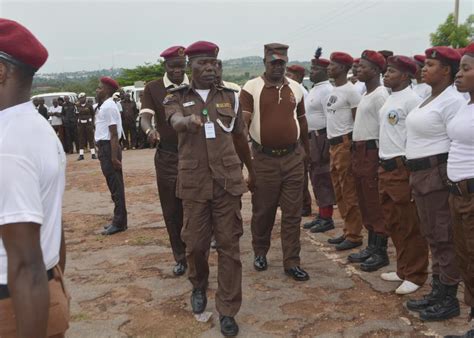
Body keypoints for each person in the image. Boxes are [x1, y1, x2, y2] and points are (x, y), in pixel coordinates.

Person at [164, 41, 256, 337]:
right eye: (203, 64)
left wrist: (252, 172)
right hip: (194, 186)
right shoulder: (176, 97)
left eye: (214, 64)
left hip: (227, 185)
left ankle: (228, 309)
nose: (210, 69)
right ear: (190, 66)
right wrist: (186, 121)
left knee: (230, 248)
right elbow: (174, 119)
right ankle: (198, 285)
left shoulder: (231, 97)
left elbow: (240, 138)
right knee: (196, 245)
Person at [0, 18, 69, 337]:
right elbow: (55, 227)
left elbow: (26, 266)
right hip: (41, 292)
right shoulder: (34, 128)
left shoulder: (9, 144)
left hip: (14, 307)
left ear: (1, 72)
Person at [240, 43, 310, 281]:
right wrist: (245, 162)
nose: (278, 67)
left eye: (282, 62)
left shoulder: (297, 88)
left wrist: (305, 154)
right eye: (274, 63)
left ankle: (292, 261)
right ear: (265, 62)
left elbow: (302, 121)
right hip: (264, 160)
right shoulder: (251, 87)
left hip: (292, 158)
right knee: (263, 211)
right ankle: (260, 251)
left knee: (293, 213)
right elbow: (244, 124)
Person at [405, 46, 464, 322]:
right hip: (420, 174)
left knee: (444, 237)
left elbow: (456, 141)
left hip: (437, 175)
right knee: (432, 235)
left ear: (447, 70)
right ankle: (438, 292)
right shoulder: (429, 98)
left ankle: (448, 298)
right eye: (424, 64)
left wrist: (450, 177)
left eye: (430, 65)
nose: (424, 69)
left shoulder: (451, 100)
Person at [377, 55, 429, 294]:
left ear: (406, 76)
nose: (386, 75)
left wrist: (410, 170)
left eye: (392, 71)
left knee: (409, 223)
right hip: (385, 166)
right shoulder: (390, 98)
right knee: (394, 221)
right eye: (387, 71)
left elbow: (415, 137)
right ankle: (403, 268)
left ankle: (416, 274)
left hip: (401, 166)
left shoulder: (412, 100)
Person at [139, 45, 190, 276]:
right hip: (168, 157)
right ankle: (180, 256)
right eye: (173, 67)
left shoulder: (195, 86)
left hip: (195, 155)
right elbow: (146, 117)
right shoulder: (153, 88)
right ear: (164, 66)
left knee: (197, 206)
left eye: (181, 66)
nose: (178, 71)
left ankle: (197, 250)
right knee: (172, 209)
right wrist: (150, 131)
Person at [348, 50, 390, 271]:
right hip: (360, 151)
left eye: (363, 67)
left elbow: (385, 130)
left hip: (372, 152)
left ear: (375, 70)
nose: (358, 70)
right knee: (364, 199)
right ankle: (371, 246)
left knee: (374, 200)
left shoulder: (381, 95)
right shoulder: (367, 93)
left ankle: (380, 250)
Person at [324, 51, 364, 251]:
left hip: (345, 144)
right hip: (333, 145)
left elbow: (357, 121)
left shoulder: (351, 91)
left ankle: (355, 234)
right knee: (338, 190)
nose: (329, 67)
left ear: (343, 68)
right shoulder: (334, 90)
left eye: (333, 64)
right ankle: (348, 229)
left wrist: (352, 148)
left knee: (349, 190)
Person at [447, 44, 474, 333]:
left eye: (466, 68)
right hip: (458, 194)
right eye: (460, 68)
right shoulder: (466, 104)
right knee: (466, 257)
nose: (459, 74)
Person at [302, 57, 337, 233]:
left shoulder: (327, 91)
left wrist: (326, 143)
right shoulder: (315, 89)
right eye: (311, 68)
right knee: (315, 176)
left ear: (324, 71)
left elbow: (330, 117)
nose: (311, 72)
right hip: (311, 138)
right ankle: (322, 213)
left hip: (321, 137)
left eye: (315, 69)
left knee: (323, 177)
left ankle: (327, 216)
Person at [95, 77, 128, 236]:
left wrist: (114, 158)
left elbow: (114, 133)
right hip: (106, 147)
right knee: (114, 186)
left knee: (116, 187)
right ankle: (120, 220)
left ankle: (119, 222)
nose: (97, 90)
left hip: (109, 148)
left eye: (100, 88)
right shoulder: (106, 105)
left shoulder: (108, 106)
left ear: (108, 90)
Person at [76, 92, 96, 160]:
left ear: (85, 97)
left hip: (88, 124)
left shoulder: (89, 105)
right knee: (81, 139)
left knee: (90, 138)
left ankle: (93, 154)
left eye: (83, 97)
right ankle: (81, 155)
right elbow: (76, 115)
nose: (82, 99)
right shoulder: (77, 106)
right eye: (80, 98)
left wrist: (92, 123)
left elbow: (93, 114)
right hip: (81, 124)